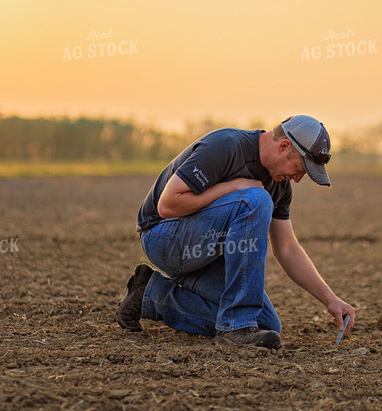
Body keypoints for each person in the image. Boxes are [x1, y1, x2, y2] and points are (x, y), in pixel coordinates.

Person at [116, 115, 355, 349]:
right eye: (301, 168)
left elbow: (287, 247)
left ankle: (150, 294)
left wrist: (331, 300)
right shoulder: (225, 146)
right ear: (284, 146)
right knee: (255, 199)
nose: (298, 179)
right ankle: (235, 326)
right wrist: (233, 187)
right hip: (164, 240)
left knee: (265, 325)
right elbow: (168, 205)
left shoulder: (280, 185)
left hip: (209, 255)